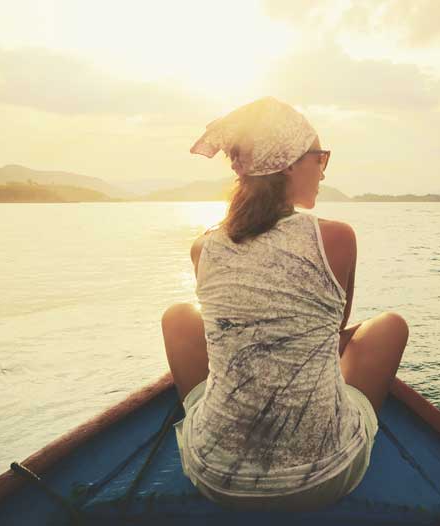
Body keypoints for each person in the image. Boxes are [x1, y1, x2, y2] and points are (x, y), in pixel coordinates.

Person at [161, 96, 408, 512]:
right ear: (290, 163)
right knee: (390, 326)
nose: (324, 170)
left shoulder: (204, 246)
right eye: (320, 157)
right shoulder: (336, 237)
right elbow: (333, 332)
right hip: (326, 476)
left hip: (215, 476)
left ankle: (208, 422)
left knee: (178, 317)